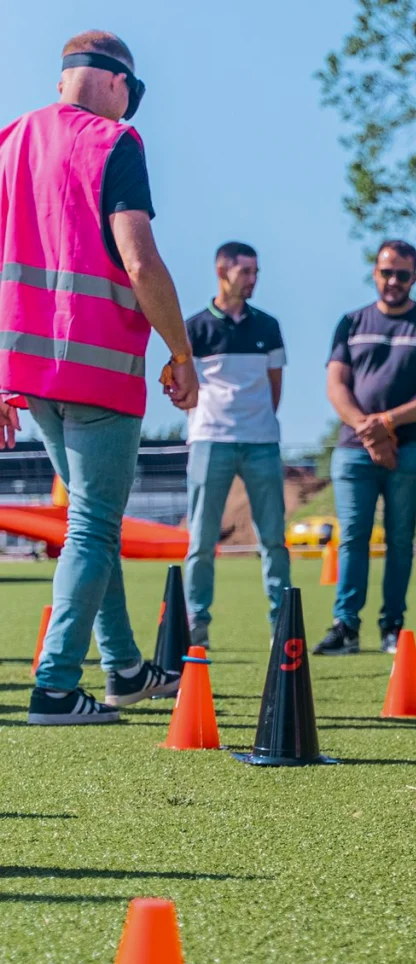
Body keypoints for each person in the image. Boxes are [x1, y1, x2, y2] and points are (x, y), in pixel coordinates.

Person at [0, 31, 200, 724]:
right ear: (118, 85)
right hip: (99, 368)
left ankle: (124, 669)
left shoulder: (11, 140)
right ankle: (55, 687)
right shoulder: (115, 143)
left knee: (95, 524)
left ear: (63, 80)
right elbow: (139, 259)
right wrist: (181, 352)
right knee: (91, 527)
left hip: (30, 373)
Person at [313, 240, 416, 656]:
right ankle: (345, 627)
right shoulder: (350, 322)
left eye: (403, 274)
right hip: (353, 450)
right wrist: (367, 429)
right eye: (386, 272)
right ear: (374, 273)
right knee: (353, 537)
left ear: (415, 277)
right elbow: (336, 384)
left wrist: (388, 423)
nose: (393, 281)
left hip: (410, 449)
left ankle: (392, 626)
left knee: (400, 538)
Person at [183, 242, 290, 647]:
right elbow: (186, 387)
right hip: (210, 442)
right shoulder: (194, 328)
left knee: (274, 540)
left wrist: (260, 422)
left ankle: (282, 624)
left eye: (256, 272)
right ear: (221, 270)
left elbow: (275, 387)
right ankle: (197, 624)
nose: (253, 279)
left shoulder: (269, 326)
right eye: (246, 271)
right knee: (201, 540)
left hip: (262, 443)